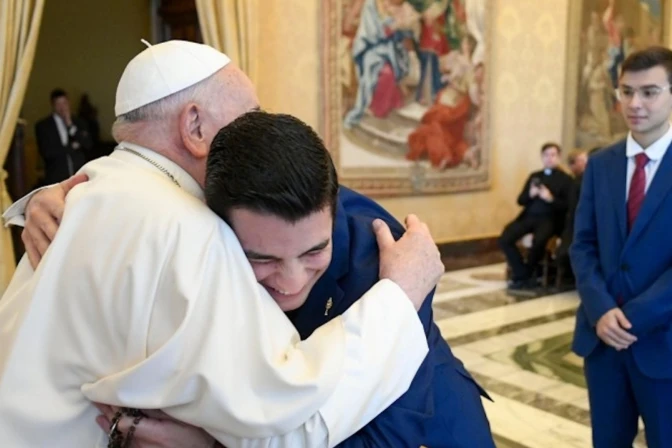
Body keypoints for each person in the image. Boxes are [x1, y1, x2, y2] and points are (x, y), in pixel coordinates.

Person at [0, 40, 444, 447]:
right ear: (194, 124)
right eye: (250, 113)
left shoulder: (82, 193)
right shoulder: (183, 227)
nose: (259, 130)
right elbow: (287, 426)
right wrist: (401, 294)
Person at [36, 111, 495, 447]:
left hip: (431, 430)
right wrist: (52, 202)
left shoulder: (387, 255)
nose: (292, 280)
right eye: (262, 258)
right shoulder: (197, 221)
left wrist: (213, 445)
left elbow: (384, 437)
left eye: (316, 250)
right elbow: (139, 191)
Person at [571, 46, 672, 448]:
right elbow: (582, 245)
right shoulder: (601, 164)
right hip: (602, 340)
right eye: (626, 91)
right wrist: (600, 309)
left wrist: (632, 318)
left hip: (663, 339)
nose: (635, 103)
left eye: (649, 92)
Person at [498, 142, 574, 289]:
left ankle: (526, 275)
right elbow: (520, 200)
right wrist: (530, 194)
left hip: (550, 219)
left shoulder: (566, 179)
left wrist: (550, 198)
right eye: (546, 155)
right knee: (505, 238)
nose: (549, 158)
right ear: (542, 157)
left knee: (539, 241)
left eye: (553, 155)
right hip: (529, 217)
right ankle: (522, 273)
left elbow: (567, 206)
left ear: (559, 157)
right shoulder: (535, 176)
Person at [35, 88, 93, 184]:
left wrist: (70, 126)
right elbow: (47, 152)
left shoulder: (78, 122)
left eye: (64, 103)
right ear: (53, 105)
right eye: (58, 104)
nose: (62, 107)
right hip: (56, 177)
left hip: (78, 175)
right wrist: (72, 147)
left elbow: (87, 144)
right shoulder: (43, 126)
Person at [555, 148, 589, 286]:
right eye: (582, 161)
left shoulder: (587, 179)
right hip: (571, 220)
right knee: (566, 251)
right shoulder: (572, 181)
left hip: (583, 220)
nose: (585, 164)